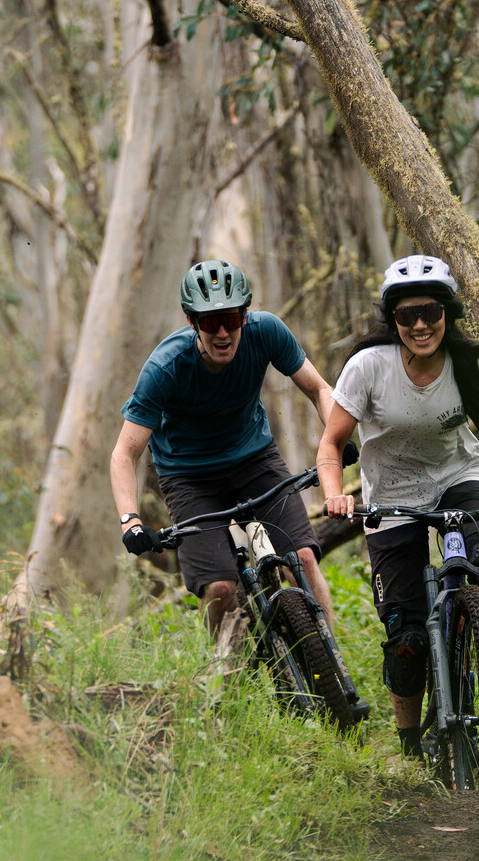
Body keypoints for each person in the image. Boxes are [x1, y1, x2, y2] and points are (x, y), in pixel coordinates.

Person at [317, 255, 479, 757]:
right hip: (390, 496)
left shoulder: (475, 366)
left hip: (459, 478)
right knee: (406, 637)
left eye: (430, 313)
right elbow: (331, 445)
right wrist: (334, 492)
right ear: (392, 319)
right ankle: (410, 747)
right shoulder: (368, 367)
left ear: (448, 314)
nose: (419, 325)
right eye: (406, 315)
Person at [110, 259, 341, 668]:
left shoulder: (266, 331)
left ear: (245, 315)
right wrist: (130, 520)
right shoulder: (166, 367)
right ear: (192, 321)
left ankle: (333, 667)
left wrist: (336, 439)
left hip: (254, 458)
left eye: (231, 318)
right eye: (210, 320)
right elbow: (125, 453)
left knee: (301, 559)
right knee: (219, 589)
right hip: (189, 477)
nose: (222, 332)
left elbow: (320, 390)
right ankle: (231, 678)